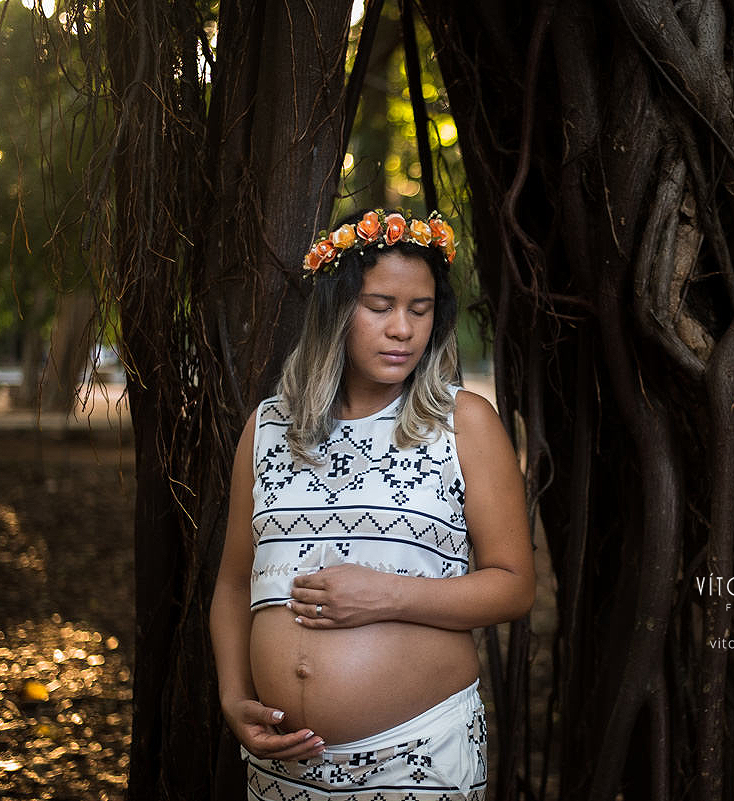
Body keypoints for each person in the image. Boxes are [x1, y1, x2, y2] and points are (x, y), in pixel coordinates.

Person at [210, 208, 535, 801]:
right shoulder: (267, 428)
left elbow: (513, 586)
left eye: (420, 309)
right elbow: (234, 584)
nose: (403, 330)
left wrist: (388, 595)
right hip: (283, 769)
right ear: (336, 310)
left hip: (418, 755)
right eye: (380, 307)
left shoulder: (463, 425)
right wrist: (235, 700)